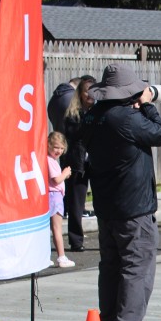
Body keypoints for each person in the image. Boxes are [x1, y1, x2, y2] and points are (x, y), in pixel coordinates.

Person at [84, 63, 161, 321]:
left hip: (106, 204)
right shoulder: (127, 118)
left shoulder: (93, 116)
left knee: (110, 265)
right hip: (134, 207)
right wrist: (148, 105)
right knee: (137, 265)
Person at [61, 75, 96, 252]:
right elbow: (74, 136)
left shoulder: (99, 112)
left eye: (93, 91)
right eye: (87, 91)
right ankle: (76, 241)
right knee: (76, 203)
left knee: (102, 200)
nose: (90, 95)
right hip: (78, 161)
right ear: (80, 94)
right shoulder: (73, 114)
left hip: (96, 161)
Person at [46, 132, 75, 269]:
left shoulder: (49, 160)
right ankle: (61, 257)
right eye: (56, 147)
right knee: (57, 228)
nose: (59, 151)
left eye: (62, 148)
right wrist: (65, 173)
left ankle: (45, 257)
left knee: (49, 228)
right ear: (48, 145)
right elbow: (56, 180)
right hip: (54, 196)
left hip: (51, 195)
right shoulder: (50, 161)